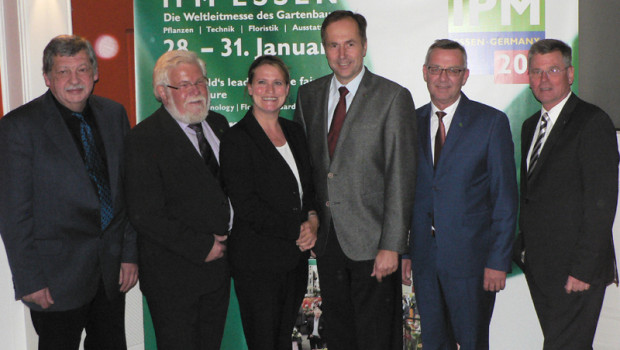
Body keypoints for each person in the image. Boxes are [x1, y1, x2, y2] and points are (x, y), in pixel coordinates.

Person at [0, 35, 138, 349]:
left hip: (110, 271)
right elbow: (13, 213)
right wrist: (29, 279)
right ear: (48, 78)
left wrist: (129, 254)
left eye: (82, 70)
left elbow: (127, 190)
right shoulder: (19, 127)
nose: (74, 80)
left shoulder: (114, 114)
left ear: (95, 73)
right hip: (55, 278)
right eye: (63, 72)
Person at [294, 10, 417, 350]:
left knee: (377, 338)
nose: (342, 53)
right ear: (324, 49)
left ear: (364, 46)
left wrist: (392, 245)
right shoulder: (309, 97)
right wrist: (312, 219)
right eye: (333, 45)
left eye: (350, 43)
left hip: (374, 244)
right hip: (329, 243)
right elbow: (307, 171)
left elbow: (401, 177)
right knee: (340, 336)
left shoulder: (393, 97)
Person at [401, 39, 518, 350]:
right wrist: (407, 252)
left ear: (465, 75)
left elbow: (505, 198)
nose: (443, 77)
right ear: (424, 72)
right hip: (425, 260)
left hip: (474, 264)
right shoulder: (409, 122)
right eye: (436, 68)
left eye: (453, 70)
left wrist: (498, 260)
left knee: (472, 342)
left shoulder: (491, 122)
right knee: (433, 342)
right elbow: (405, 194)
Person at [514, 38, 618, 349]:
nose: (543, 80)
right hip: (542, 269)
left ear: (570, 74)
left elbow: (601, 203)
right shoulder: (531, 125)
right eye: (536, 72)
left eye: (553, 70)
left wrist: (582, 270)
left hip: (577, 271)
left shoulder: (592, 122)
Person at [123, 50, 232, 350]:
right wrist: (202, 247)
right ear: (162, 92)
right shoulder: (143, 139)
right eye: (184, 85)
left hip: (217, 273)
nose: (196, 91)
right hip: (173, 279)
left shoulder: (219, 125)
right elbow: (145, 214)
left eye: (200, 82)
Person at [219, 55, 318, 350]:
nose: (270, 90)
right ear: (249, 88)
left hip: (293, 261)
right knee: (264, 342)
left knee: (281, 340)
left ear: (287, 89)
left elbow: (309, 189)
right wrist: (298, 230)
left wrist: (313, 220)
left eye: (277, 83)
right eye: (262, 82)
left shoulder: (296, 133)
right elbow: (247, 205)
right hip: (257, 263)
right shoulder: (236, 139)